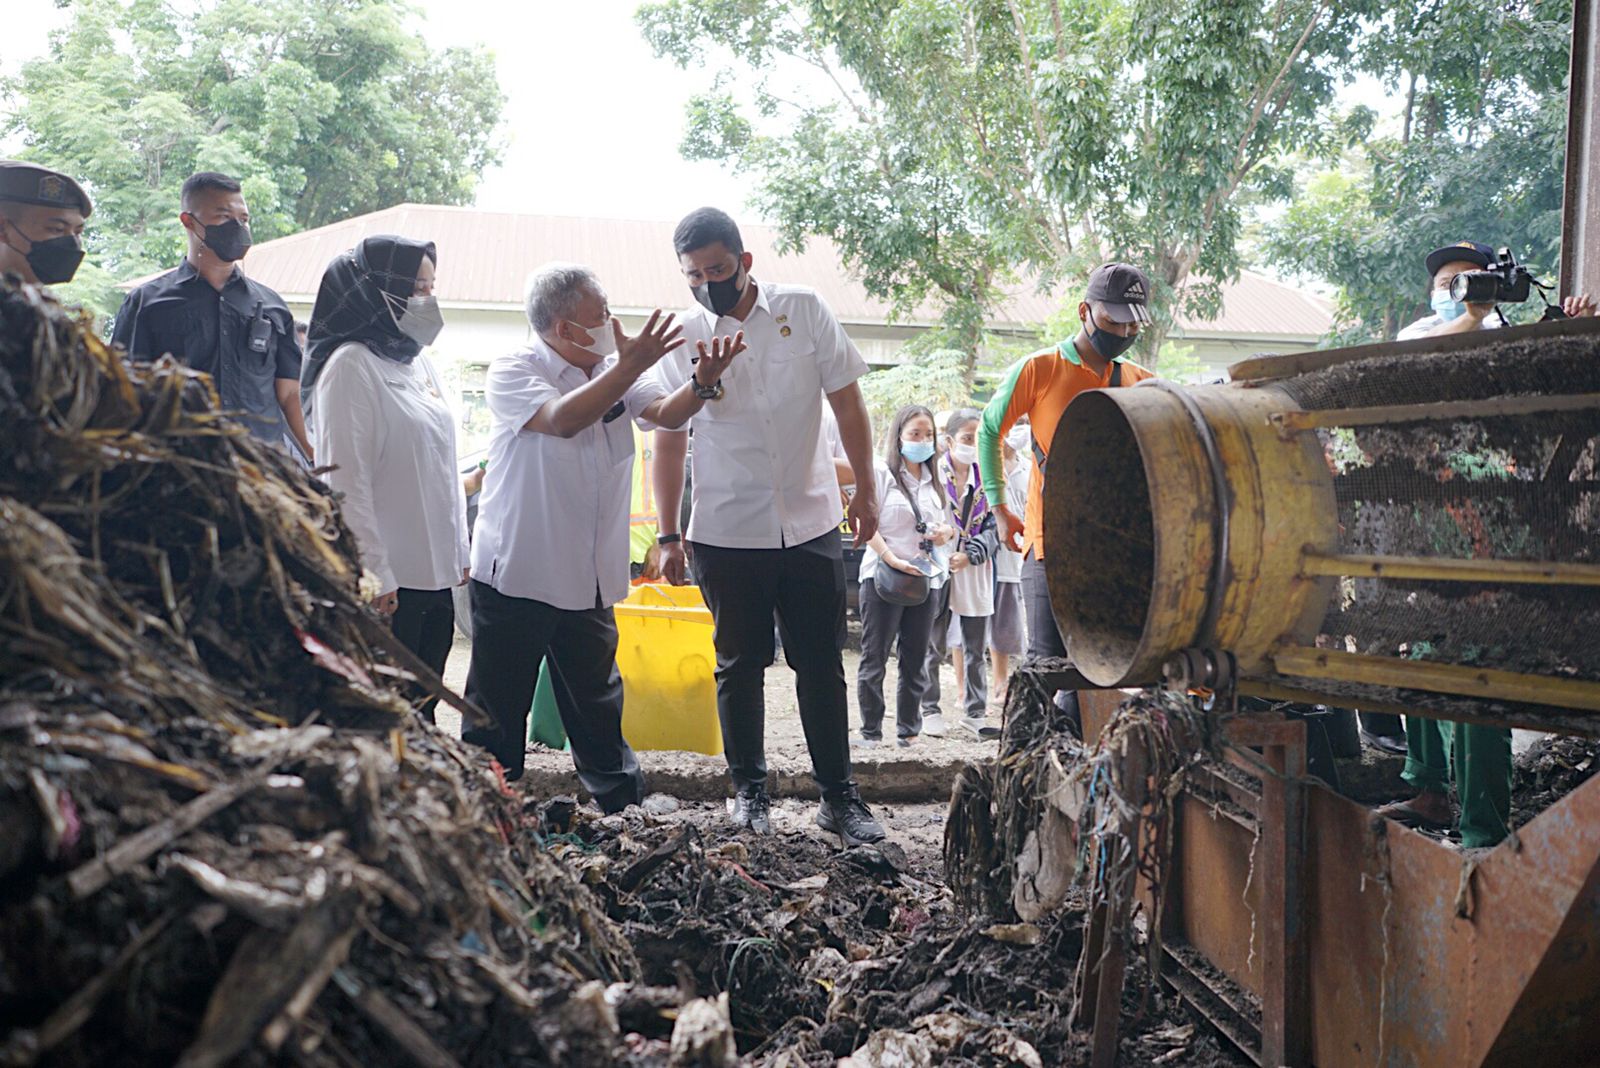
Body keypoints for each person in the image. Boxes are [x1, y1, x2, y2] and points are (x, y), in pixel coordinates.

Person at [463, 262, 741, 812]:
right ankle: (484, 813)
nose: (612, 324)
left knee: (597, 703)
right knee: (497, 707)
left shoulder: (615, 366)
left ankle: (622, 810)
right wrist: (626, 366)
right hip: (518, 572)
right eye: (601, 315)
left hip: (589, 575)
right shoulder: (514, 369)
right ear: (565, 329)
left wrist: (702, 383)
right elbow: (563, 420)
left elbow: (663, 413)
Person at [650, 207, 885, 847]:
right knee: (739, 664)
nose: (707, 283)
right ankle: (748, 793)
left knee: (820, 663)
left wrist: (863, 489)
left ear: (745, 262)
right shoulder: (685, 335)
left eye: (718, 269)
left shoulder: (802, 310)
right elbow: (667, 438)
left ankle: (839, 797)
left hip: (809, 520)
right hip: (727, 530)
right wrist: (668, 534)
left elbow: (848, 401)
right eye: (693, 274)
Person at [976, 263, 1157, 730]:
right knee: (1046, 665)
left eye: (1133, 322)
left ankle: (1078, 766)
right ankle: (1027, 767)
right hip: (1048, 546)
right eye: (1114, 320)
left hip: (1115, 554)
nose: (1124, 330)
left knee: (1099, 668)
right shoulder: (1040, 370)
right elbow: (989, 430)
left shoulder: (1142, 381)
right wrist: (1000, 509)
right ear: (1085, 311)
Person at [299, 236, 466, 719]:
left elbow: (440, 461)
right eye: (415, 287)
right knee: (390, 711)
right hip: (391, 583)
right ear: (375, 289)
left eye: (431, 286)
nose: (427, 299)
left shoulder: (418, 363)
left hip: (434, 574)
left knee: (425, 705)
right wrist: (374, 575)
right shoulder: (350, 366)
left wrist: (459, 551)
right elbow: (345, 481)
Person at [112, 172, 312, 460]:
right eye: (223, 216)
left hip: (263, 470)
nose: (238, 226)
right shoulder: (147, 304)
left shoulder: (273, 306)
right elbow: (125, 394)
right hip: (180, 471)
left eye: (243, 218)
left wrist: (311, 451)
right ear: (189, 221)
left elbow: (289, 394)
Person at [856, 405, 956, 748]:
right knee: (875, 657)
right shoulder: (880, 472)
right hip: (883, 577)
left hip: (926, 580)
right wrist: (892, 559)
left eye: (928, 434)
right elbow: (866, 526)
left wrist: (945, 533)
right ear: (898, 436)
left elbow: (946, 525)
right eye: (915, 433)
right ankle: (870, 731)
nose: (923, 440)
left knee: (916, 658)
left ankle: (908, 731)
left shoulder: (935, 480)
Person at [921, 407, 999, 738]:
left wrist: (971, 553)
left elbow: (996, 528)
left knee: (975, 647)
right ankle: (929, 709)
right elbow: (922, 519)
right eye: (967, 439)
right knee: (932, 643)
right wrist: (944, 549)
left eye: (978, 439)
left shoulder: (990, 479)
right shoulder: (932, 477)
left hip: (975, 569)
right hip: (938, 568)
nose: (972, 445)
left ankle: (975, 712)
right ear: (950, 441)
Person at [1397, 240, 1595, 340]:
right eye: (1445, 283)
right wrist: (1472, 318)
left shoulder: (1498, 326)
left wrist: (1580, 327)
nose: (1456, 290)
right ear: (1433, 296)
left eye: (1468, 280)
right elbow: (1427, 344)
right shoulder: (1414, 332)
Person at [988, 421, 1032, 714]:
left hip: (1028, 556)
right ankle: (999, 681)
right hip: (1000, 558)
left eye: (1025, 425)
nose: (1020, 430)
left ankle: (1026, 682)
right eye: (1015, 424)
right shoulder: (991, 467)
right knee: (1000, 624)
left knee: (1026, 624)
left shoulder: (1030, 468)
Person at [0, 160, 92, 288]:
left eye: (78, 232)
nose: (72, 243)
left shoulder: (35, 303)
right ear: (3, 229)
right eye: (57, 229)